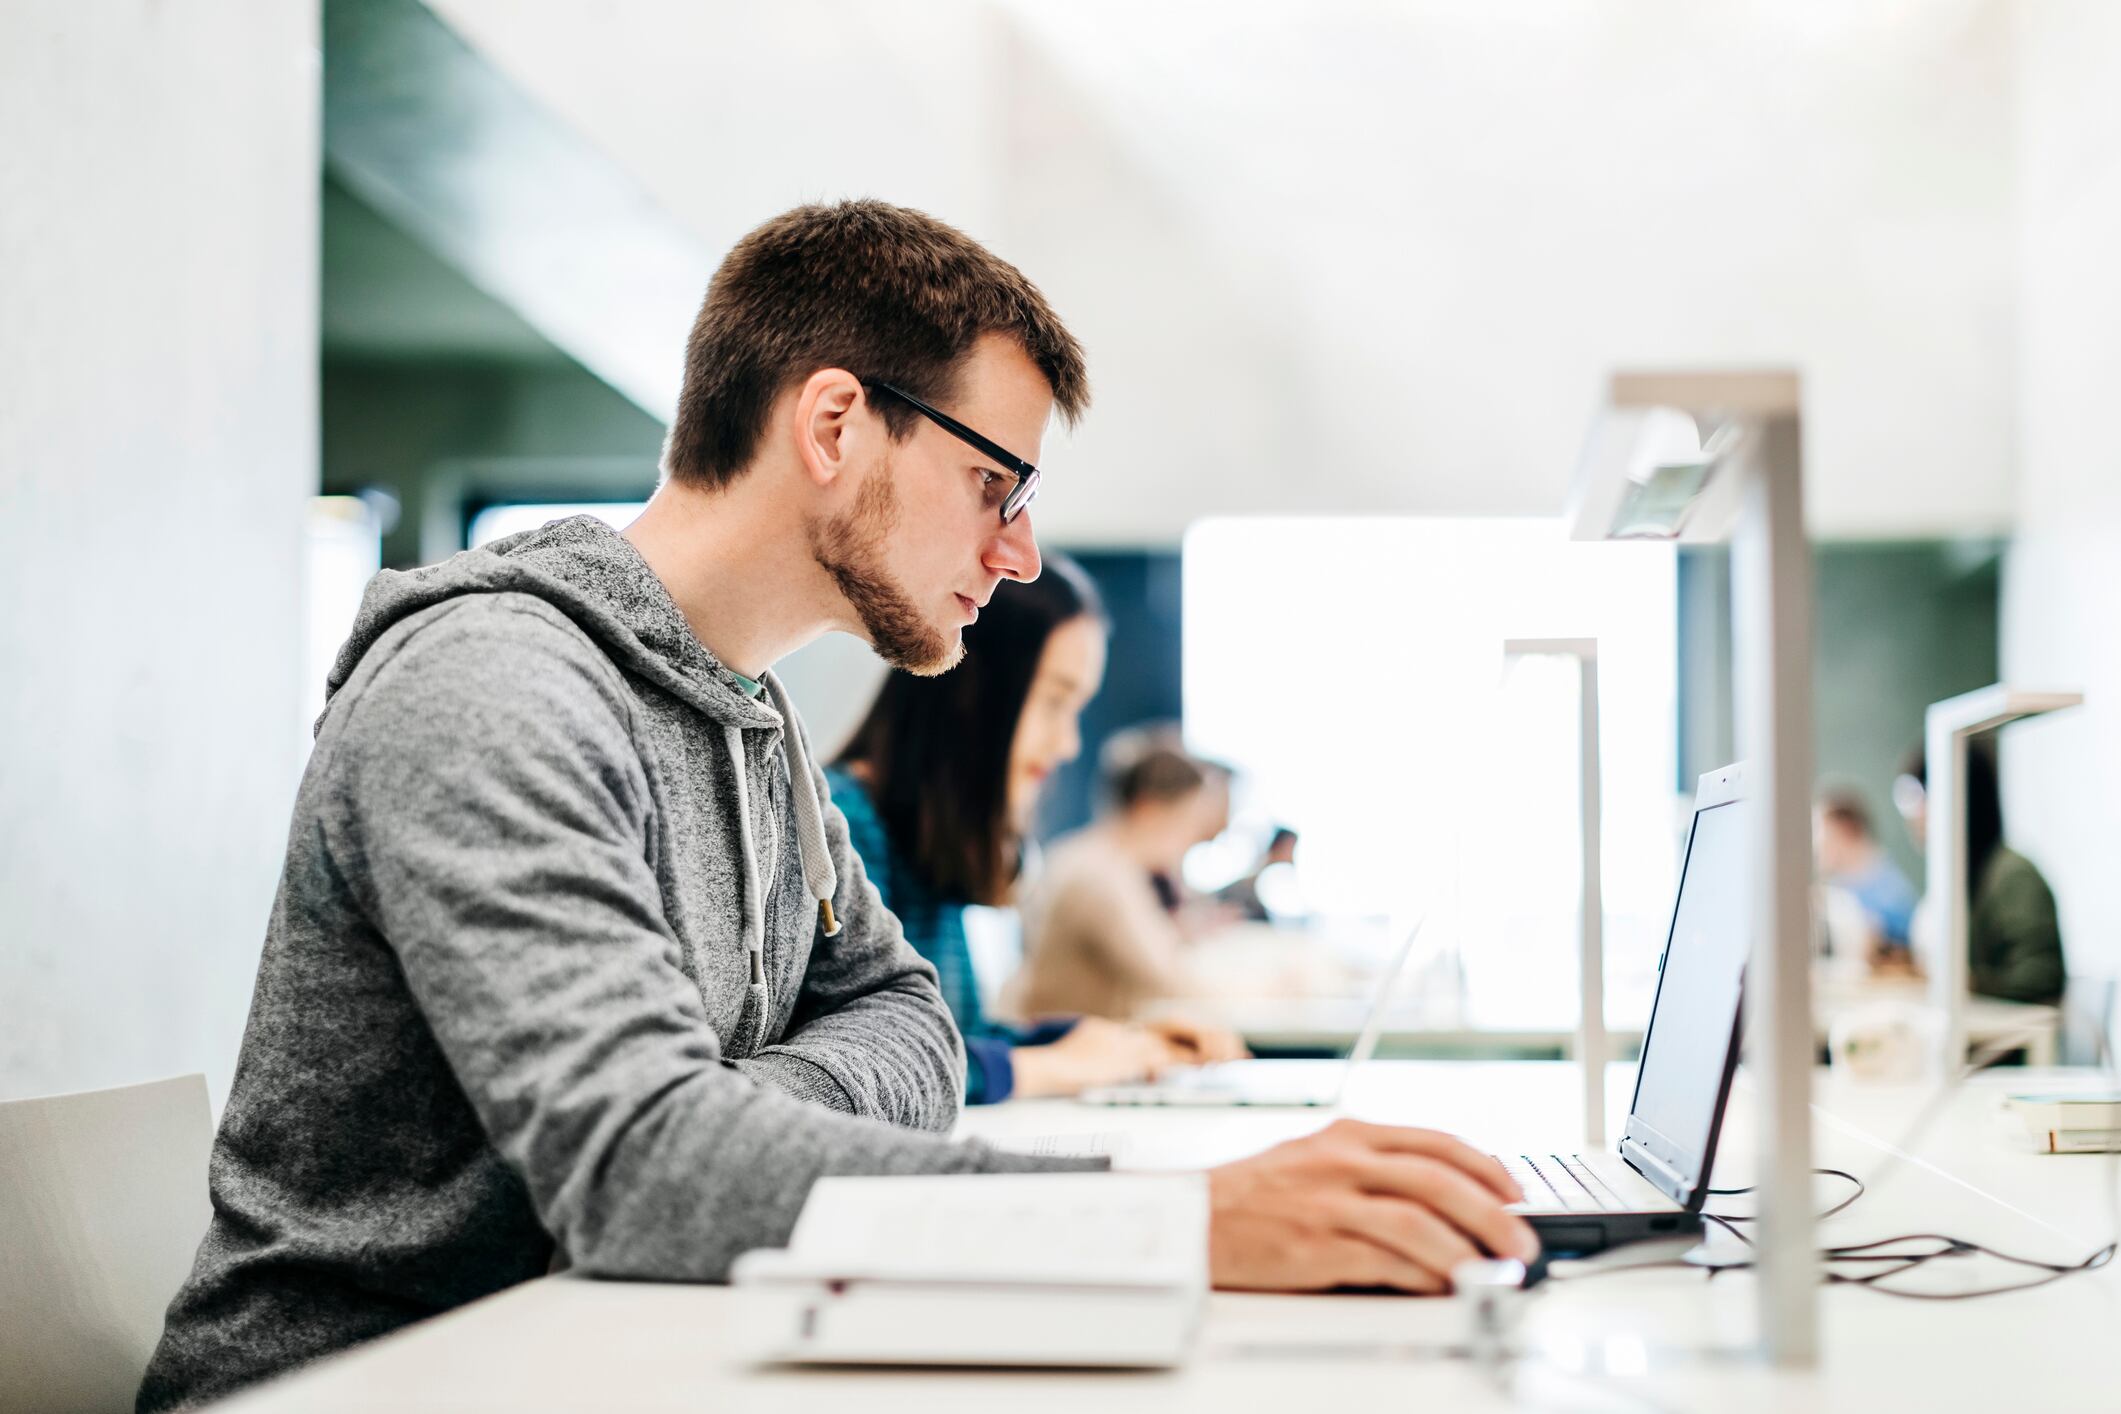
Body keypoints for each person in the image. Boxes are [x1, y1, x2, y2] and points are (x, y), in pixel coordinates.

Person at [141, 200, 1535, 1411]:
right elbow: (647, 1172)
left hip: (608, 1354)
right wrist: (1171, 1221)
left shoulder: (755, 726)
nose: (1017, 551)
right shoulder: (495, 688)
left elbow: (914, 1020)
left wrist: (738, 1110)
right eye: (992, 484)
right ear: (833, 425)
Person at [828, 555, 1246, 1103]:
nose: (1068, 744)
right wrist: (1055, 1065)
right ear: (973, 690)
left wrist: (1099, 1042)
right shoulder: (842, 827)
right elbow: (877, 1067)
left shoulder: (923, 840)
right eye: (1054, 701)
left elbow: (952, 1038)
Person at [1008, 732, 1234, 1022]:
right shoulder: (1100, 876)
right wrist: (1267, 989)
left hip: (1078, 1036)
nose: (1191, 839)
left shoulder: (1097, 859)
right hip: (1065, 1041)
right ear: (1149, 809)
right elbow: (1170, 978)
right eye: (1188, 821)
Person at [1894, 742, 2065, 1005]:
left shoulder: (2012, 876)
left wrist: (1966, 983)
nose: (1913, 815)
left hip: (2009, 1029)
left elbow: (2041, 977)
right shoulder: (1958, 875)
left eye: (1917, 797)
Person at [1814, 786, 1917, 962]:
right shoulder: (1835, 891)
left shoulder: (1892, 894)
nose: (1816, 843)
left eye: (1821, 832)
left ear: (1844, 829)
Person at [1217, 825, 1300, 922]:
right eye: (1287, 849)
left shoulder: (1291, 896)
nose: (1290, 857)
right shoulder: (1238, 888)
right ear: (1275, 848)